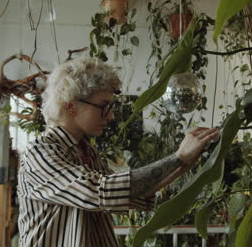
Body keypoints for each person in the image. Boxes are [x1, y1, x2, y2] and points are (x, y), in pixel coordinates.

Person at [17, 57, 218, 247]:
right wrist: (178, 158)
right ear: (71, 106)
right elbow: (101, 192)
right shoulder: (40, 153)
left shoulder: (87, 152)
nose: (111, 116)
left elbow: (130, 195)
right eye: (103, 106)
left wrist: (185, 161)